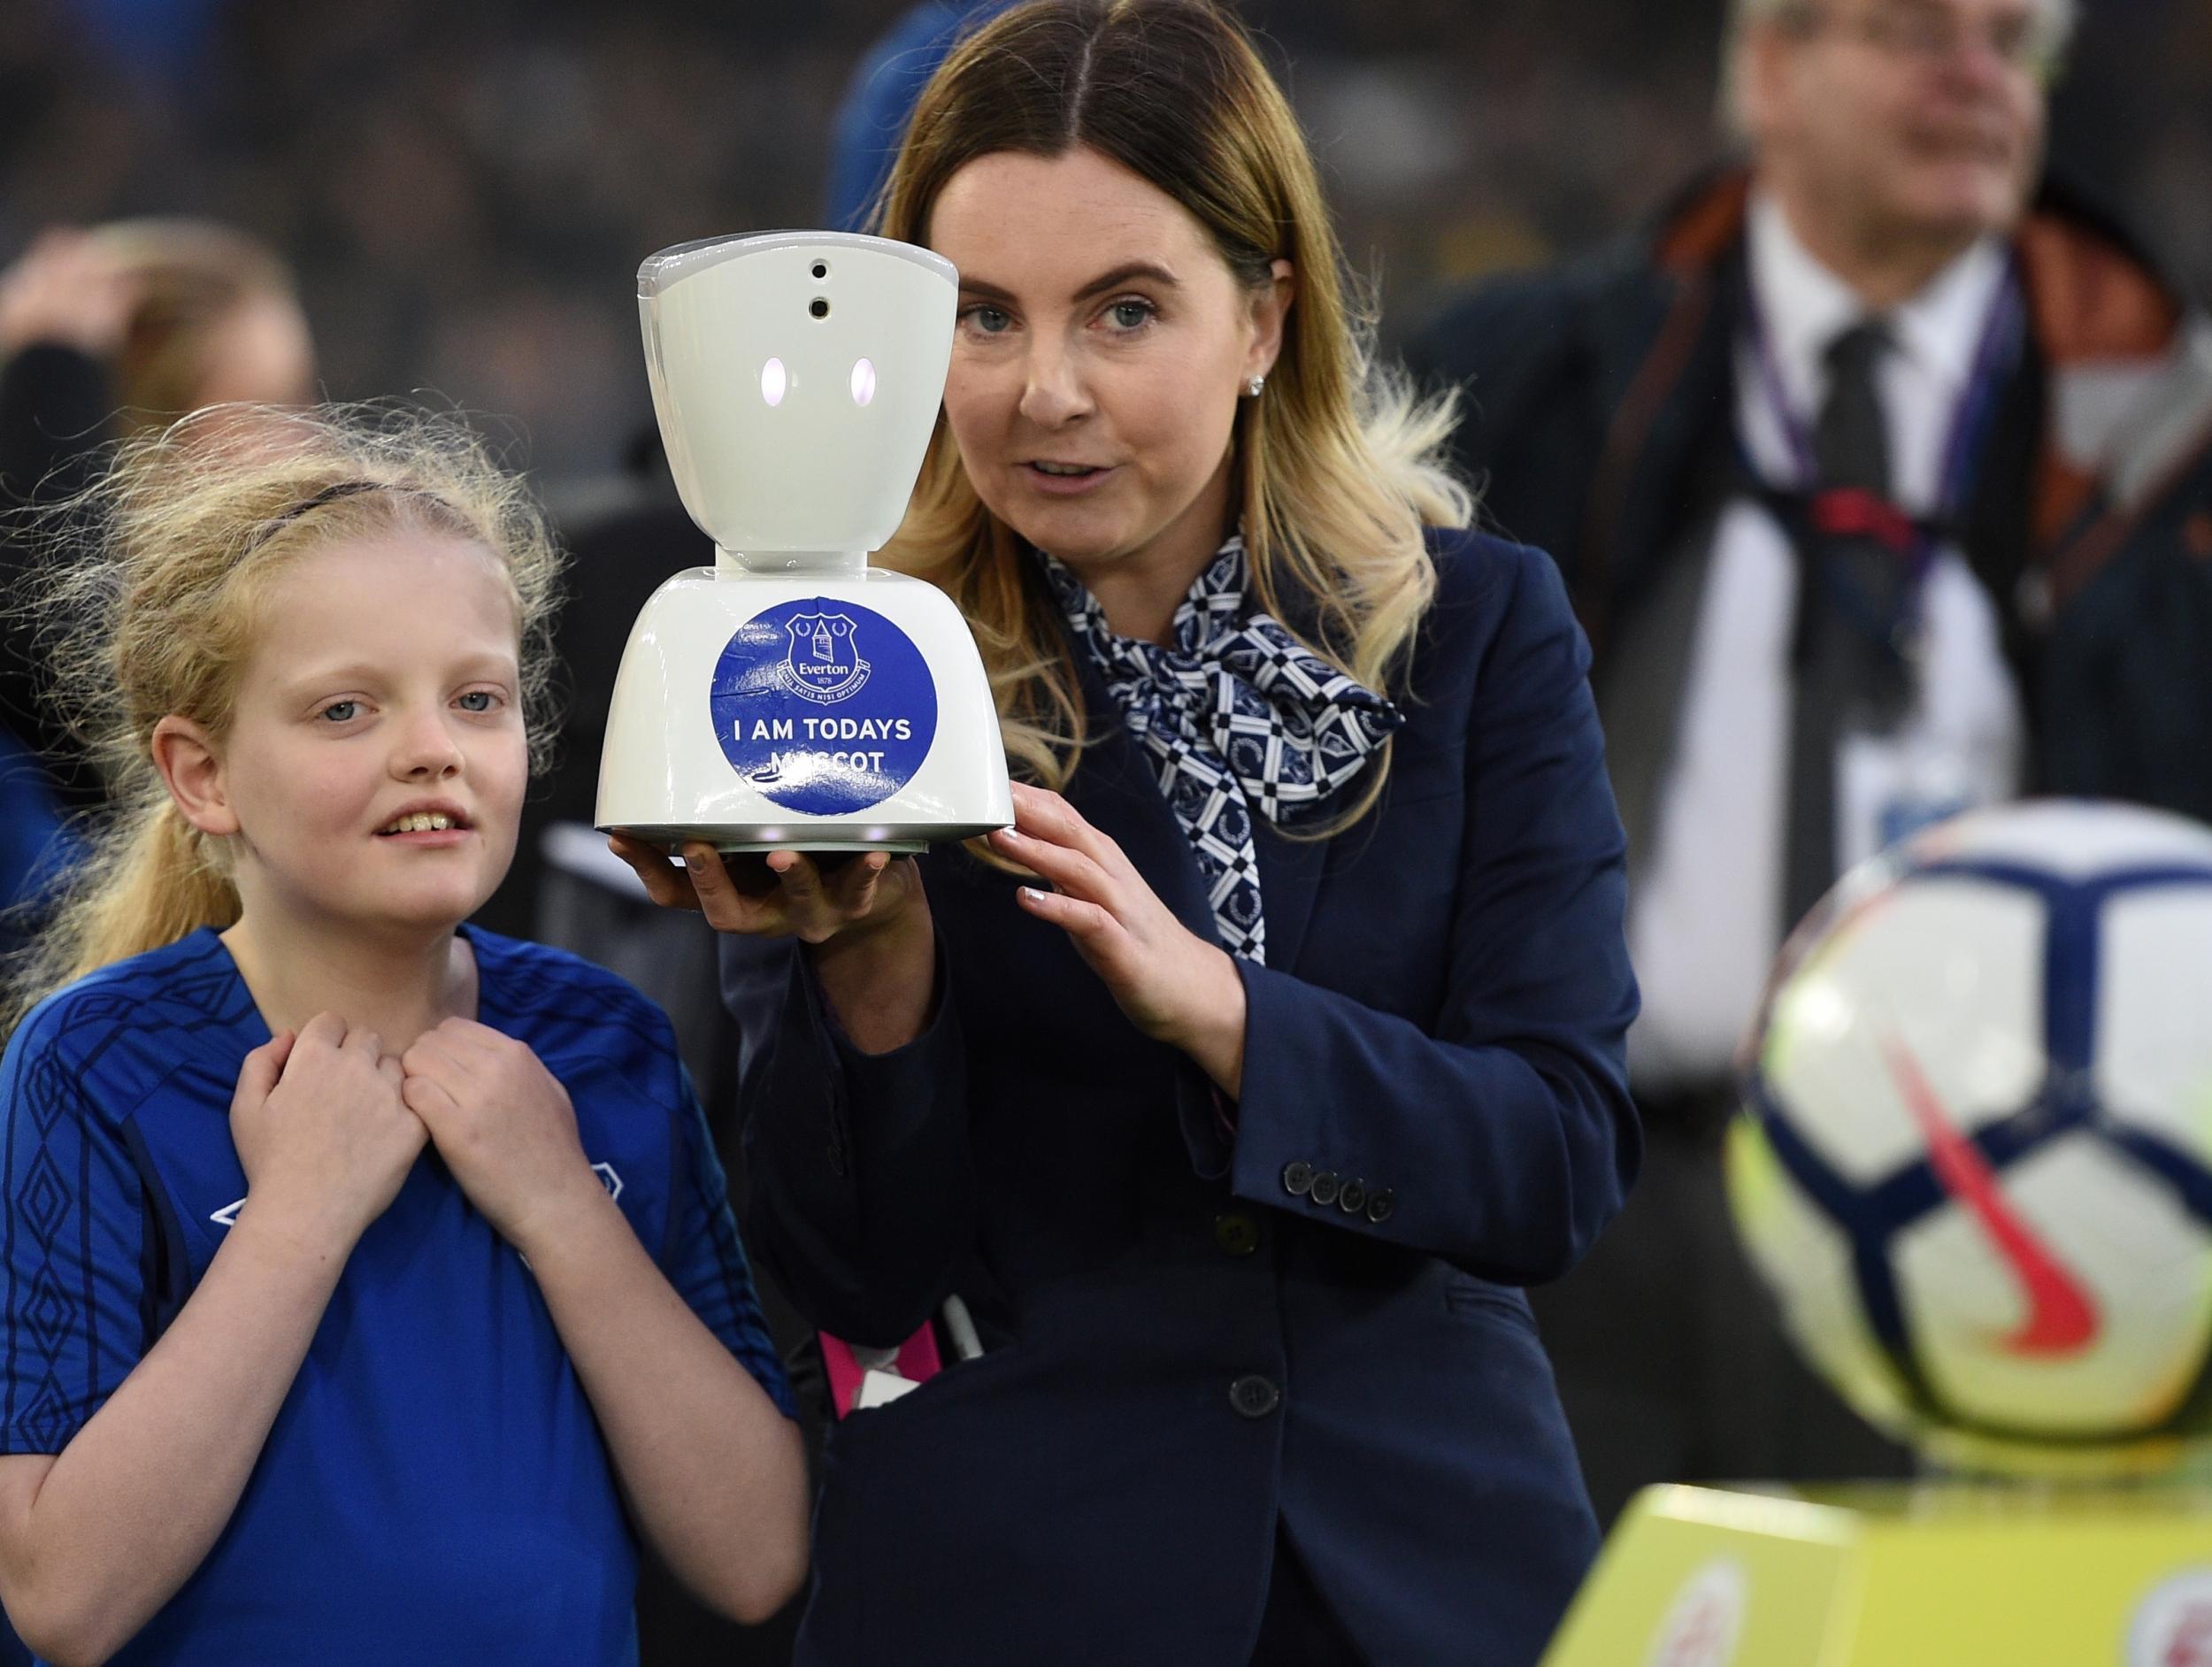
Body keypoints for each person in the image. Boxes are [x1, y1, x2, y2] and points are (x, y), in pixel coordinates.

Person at [611, 2, 1640, 1662]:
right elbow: (852, 1282)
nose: (1047, 393)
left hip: (1425, 1585)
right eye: (985, 319)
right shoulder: (849, 658)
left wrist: (1230, 1023)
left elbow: (1557, 1160)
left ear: (1264, 317)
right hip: (1016, 1584)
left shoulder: (1479, 630)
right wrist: (872, 961)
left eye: (1127, 312)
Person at [1403, 0, 2212, 1521]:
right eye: (1918, 31)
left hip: (2015, 1231)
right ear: (1765, 70)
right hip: (1586, 1223)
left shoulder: (2168, 458)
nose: (1977, 76)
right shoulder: (1517, 389)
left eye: (2013, 40)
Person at [0, 405, 808, 1663]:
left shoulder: (606, 1046)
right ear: (201, 773)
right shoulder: (96, 1067)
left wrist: (560, 1206)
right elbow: (62, 1599)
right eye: (344, 712)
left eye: (475, 699)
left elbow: (757, 1557)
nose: (432, 750)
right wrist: (296, 1222)